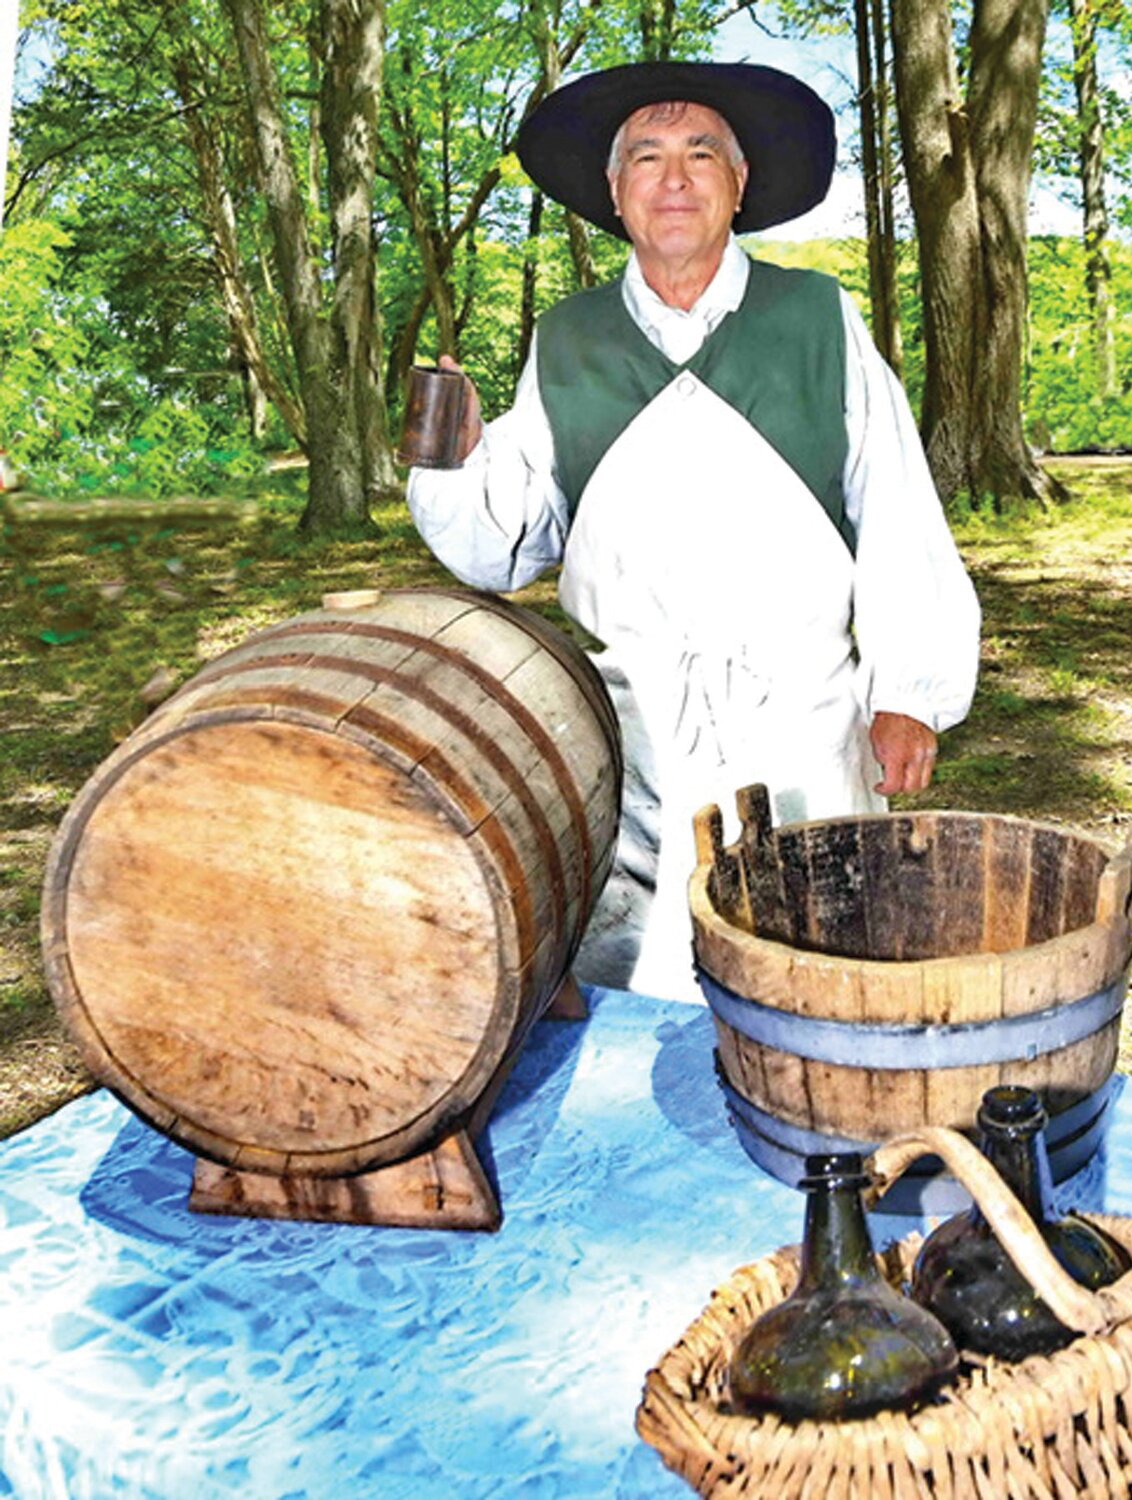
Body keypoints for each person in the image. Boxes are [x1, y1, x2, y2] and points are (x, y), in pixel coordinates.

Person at [407, 61, 981, 1002]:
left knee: (819, 964)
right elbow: (501, 546)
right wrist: (454, 462)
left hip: (799, 714)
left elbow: (897, 507)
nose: (673, 177)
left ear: (739, 183)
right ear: (614, 190)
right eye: (647, 156)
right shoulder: (568, 338)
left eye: (700, 152)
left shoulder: (816, 317)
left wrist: (909, 689)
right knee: (634, 970)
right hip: (631, 726)